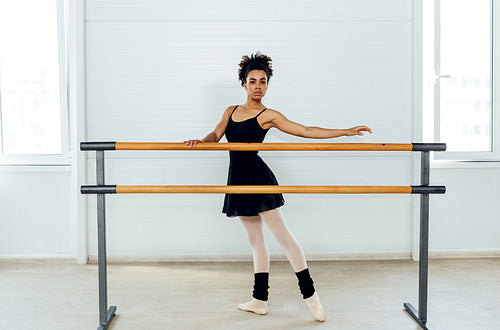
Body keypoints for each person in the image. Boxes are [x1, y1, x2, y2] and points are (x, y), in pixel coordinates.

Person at [185, 52, 372, 322]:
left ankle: (311, 297)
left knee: (284, 238)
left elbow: (305, 131)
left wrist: (344, 131)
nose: (258, 86)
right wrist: (199, 142)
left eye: (263, 81)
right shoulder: (230, 111)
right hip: (237, 180)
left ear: (267, 84)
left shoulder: (267, 115)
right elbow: (215, 135)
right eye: (253, 81)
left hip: (258, 179)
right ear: (244, 84)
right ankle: (259, 300)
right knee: (255, 241)